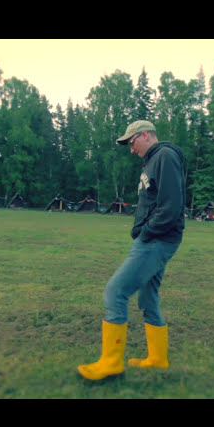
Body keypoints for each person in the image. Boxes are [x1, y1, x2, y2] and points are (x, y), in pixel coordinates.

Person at [78, 120, 186, 381]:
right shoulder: (152, 160)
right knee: (147, 298)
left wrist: (146, 232)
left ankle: (111, 363)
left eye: (131, 142)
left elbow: (171, 207)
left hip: (157, 240)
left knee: (116, 292)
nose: (130, 148)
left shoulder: (165, 156)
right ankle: (158, 359)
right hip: (156, 238)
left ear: (145, 135)